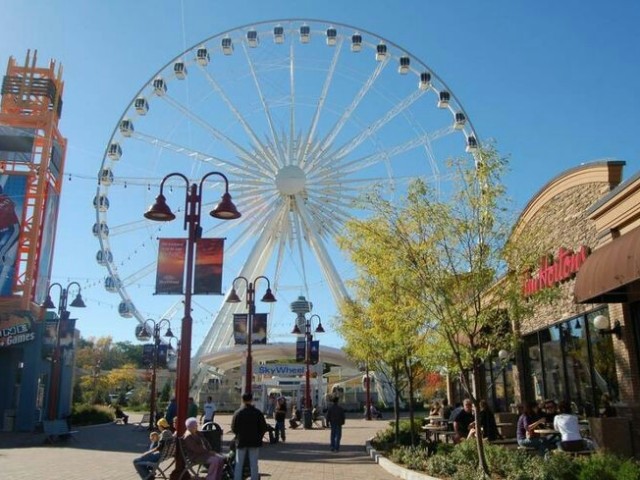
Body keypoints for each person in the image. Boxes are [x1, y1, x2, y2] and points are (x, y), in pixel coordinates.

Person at [231, 392, 269, 480]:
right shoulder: (257, 413)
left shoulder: (238, 413)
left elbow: (233, 428)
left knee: (239, 464)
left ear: (242, 400)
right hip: (254, 441)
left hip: (241, 441)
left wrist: (238, 435)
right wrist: (259, 437)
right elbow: (263, 427)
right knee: (254, 464)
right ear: (251, 400)